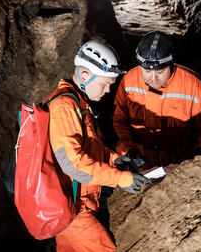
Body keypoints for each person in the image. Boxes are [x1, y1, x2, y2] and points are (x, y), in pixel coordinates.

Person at [47, 37, 148, 251]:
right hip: (73, 211)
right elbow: (72, 164)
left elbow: (88, 149)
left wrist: (114, 158)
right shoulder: (64, 106)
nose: (108, 91)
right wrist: (121, 178)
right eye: (105, 84)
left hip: (79, 207)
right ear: (85, 76)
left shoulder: (79, 103)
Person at [112, 31, 201, 173]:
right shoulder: (129, 80)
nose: (154, 78)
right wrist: (129, 151)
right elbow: (119, 119)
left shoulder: (193, 84)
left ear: (170, 64)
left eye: (160, 72)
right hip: (141, 161)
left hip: (180, 163)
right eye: (147, 71)